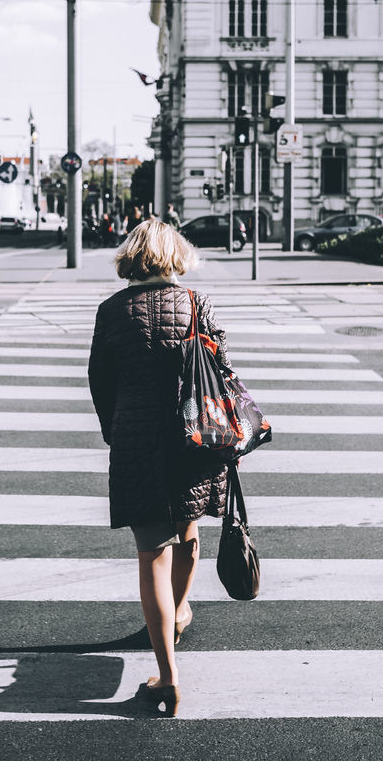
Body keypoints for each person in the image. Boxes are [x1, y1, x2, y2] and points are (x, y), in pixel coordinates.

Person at [87, 219, 233, 718]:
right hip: (193, 441)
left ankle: (168, 678)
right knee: (187, 533)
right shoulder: (196, 304)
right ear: (177, 256)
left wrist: (117, 431)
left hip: (137, 442)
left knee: (152, 552)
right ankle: (177, 612)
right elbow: (223, 374)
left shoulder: (112, 311)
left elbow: (100, 385)